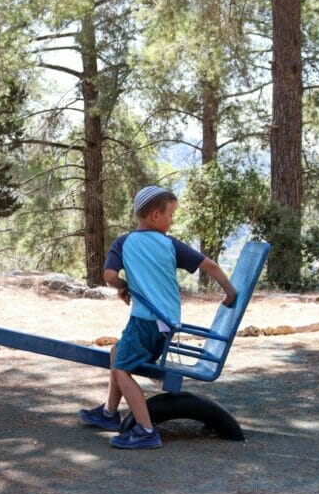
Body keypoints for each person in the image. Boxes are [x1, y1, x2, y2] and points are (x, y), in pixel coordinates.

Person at [79, 185, 237, 449]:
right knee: (117, 352)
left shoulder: (124, 242)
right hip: (165, 326)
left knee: (121, 371)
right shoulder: (169, 244)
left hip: (145, 322)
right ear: (155, 216)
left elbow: (108, 276)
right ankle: (108, 414)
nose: (171, 220)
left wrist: (123, 287)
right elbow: (210, 265)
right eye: (171, 215)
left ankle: (146, 430)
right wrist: (230, 292)